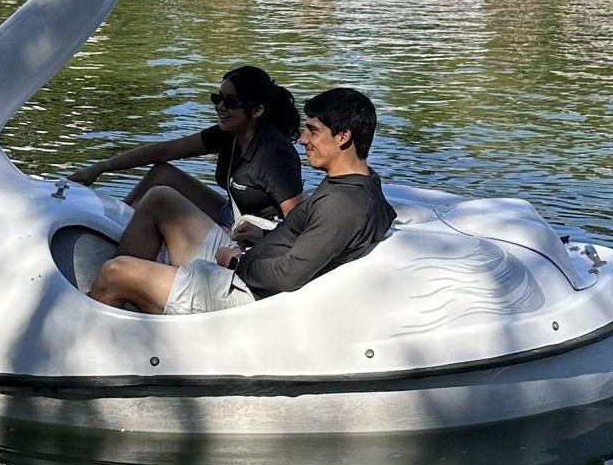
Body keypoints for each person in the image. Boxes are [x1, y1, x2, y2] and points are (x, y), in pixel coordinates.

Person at [91, 87, 395, 316]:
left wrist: (235, 261)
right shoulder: (362, 183)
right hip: (250, 261)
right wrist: (262, 236)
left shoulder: (343, 205)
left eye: (313, 130)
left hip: (245, 292)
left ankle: (104, 318)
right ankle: (129, 302)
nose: (302, 139)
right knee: (161, 197)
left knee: (116, 271)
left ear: (343, 137)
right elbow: (312, 240)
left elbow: (287, 277)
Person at [71, 65, 304, 273]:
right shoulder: (229, 135)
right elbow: (166, 151)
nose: (220, 107)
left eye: (230, 102)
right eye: (217, 98)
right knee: (163, 174)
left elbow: (297, 221)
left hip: (254, 233)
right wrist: (101, 167)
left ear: (256, 111)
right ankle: (126, 231)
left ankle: (121, 271)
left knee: (160, 198)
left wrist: (263, 236)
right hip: (233, 216)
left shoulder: (275, 153)